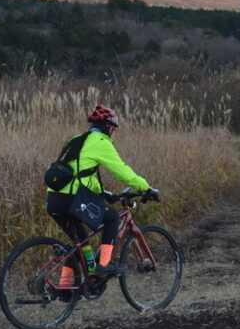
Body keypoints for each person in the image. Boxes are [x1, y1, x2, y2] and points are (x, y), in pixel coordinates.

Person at [46, 104, 160, 287]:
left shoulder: (77, 139)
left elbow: (79, 172)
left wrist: (104, 194)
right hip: (73, 199)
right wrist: (146, 188)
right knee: (112, 218)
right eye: (113, 128)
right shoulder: (100, 142)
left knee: (80, 243)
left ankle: (65, 288)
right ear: (108, 127)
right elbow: (121, 171)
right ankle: (103, 266)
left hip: (54, 199)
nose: (113, 132)